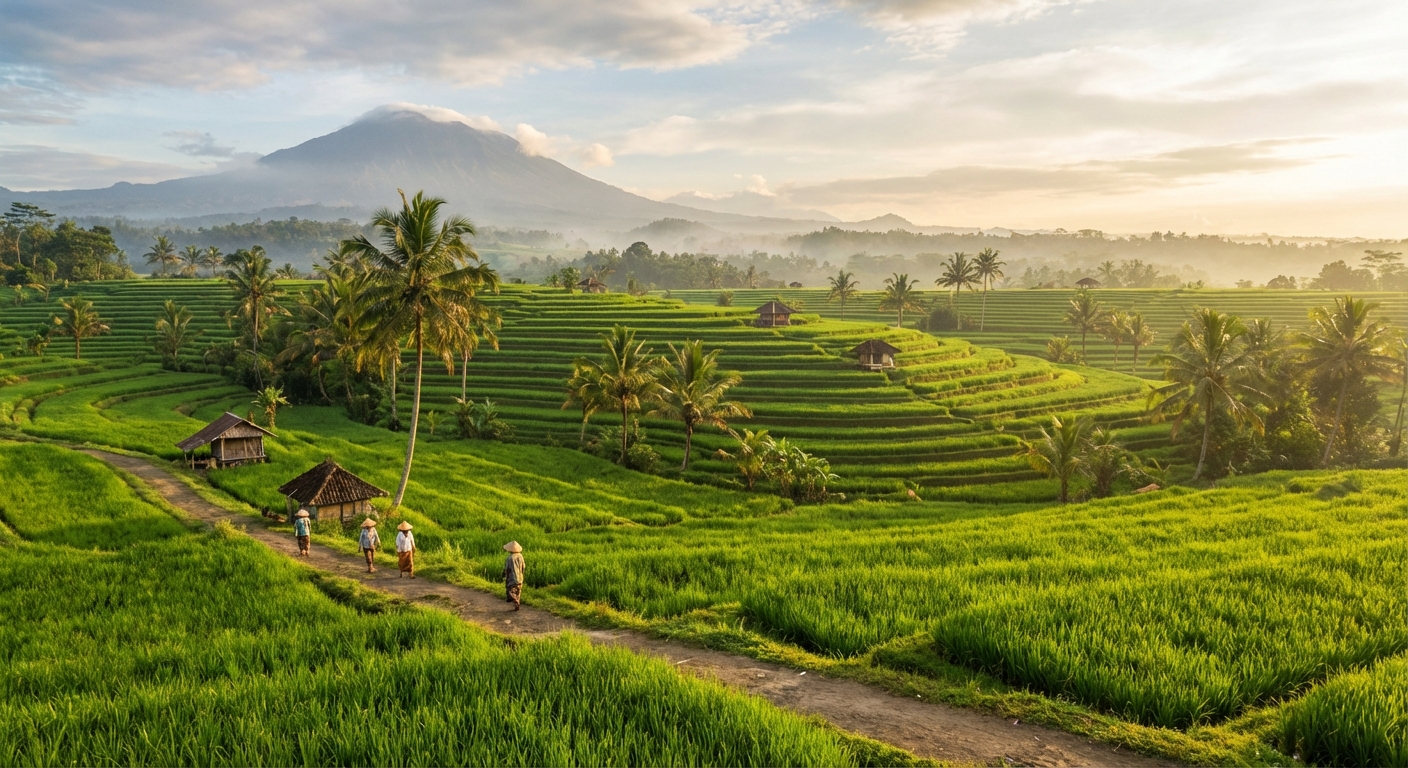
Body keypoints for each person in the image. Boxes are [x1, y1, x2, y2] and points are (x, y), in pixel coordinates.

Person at [502, 541, 525, 610]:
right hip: (520, 578)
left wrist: (504, 574)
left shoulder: (510, 558)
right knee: (518, 592)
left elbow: (507, 569)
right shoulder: (521, 556)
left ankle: (516, 601)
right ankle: (516, 605)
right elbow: (523, 567)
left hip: (512, 578)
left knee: (510, 592)